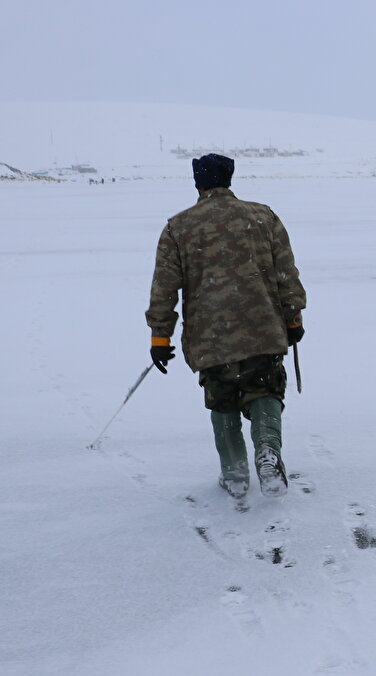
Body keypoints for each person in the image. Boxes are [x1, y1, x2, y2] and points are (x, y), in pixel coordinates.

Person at [146, 154, 307, 499]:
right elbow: (286, 274)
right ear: (229, 179)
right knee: (265, 390)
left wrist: (160, 337)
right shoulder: (263, 216)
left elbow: (164, 288)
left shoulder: (179, 227)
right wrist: (293, 318)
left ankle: (235, 474)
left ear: (198, 183)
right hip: (263, 326)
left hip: (210, 336)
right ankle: (267, 451)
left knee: (222, 400)